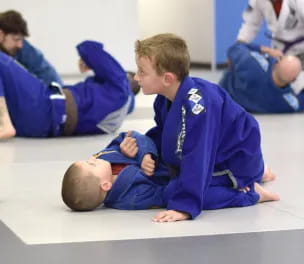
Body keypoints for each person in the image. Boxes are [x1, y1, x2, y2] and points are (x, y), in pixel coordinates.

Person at [134, 33, 279, 222]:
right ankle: (259, 171)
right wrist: (147, 152)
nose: (136, 77)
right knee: (160, 177)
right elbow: (164, 134)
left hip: (234, 159)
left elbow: (197, 154)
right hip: (220, 150)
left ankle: (251, 192)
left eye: (142, 72)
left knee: (171, 193)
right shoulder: (164, 98)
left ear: (167, 78)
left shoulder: (198, 107)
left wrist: (183, 207)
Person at [0, 40, 139, 140]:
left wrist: (90, 61)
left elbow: (88, 47)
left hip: (44, 104)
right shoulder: (115, 119)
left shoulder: (121, 83)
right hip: (41, 127)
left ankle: (1, 122)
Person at [61, 131, 277, 214]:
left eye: (86, 160)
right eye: (90, 165)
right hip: (174, 178)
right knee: (191, 191)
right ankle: (250, 195)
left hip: (168, 156)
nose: (91, 159)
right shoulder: (129, 198)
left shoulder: (105, 158)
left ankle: (257, 173)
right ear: (105, 186)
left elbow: (133, 136)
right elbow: (162, 195)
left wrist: (143, 154)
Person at [237, 0, 304, 92]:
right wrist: (240, 45)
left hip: (301, 48)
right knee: (275, 82)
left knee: (298, 84)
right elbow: (251, 23)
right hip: (279, 48)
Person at [220, 42, 304, 113]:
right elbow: (299, 103)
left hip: (222, 97)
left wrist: (267, 50)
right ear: (293, 80)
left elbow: (235, 48)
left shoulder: (251, 63)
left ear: (277, 62)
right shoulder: (285, 103)